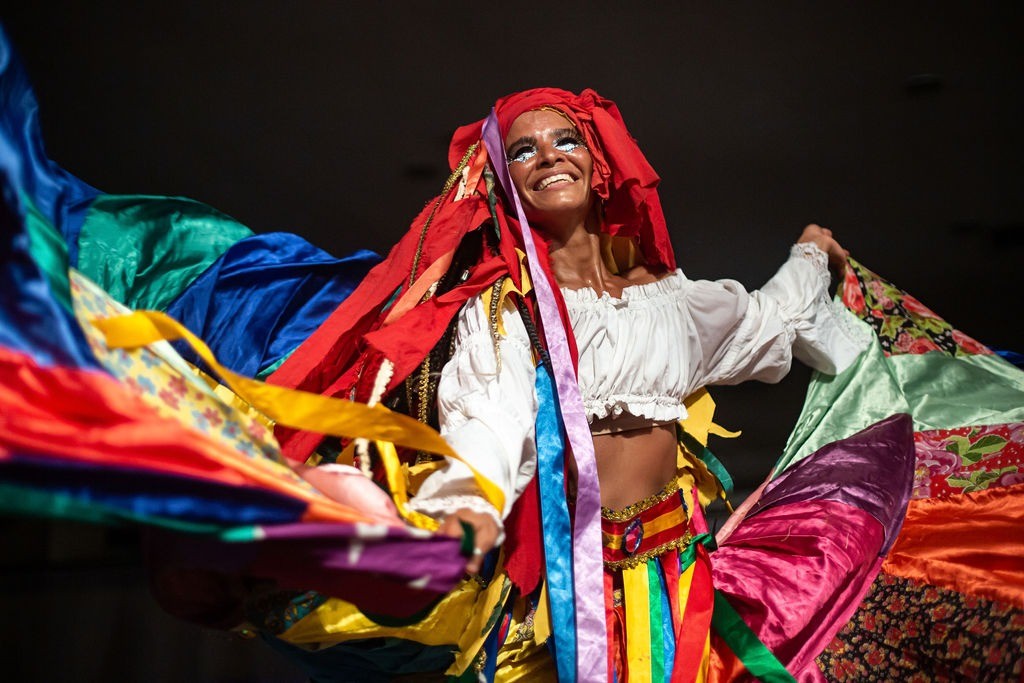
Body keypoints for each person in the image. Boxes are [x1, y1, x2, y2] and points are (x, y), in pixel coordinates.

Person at [263, 87, 877, 681]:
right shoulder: (509, 308)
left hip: (679, 568)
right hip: (565, 589)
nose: (549, 156)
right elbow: (491, 421)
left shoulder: (672, 301)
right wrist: (467, 505)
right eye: (523, 150)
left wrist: (809, 253)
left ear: (596, 161)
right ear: (503, 181)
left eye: (565, 140)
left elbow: (775, 317)